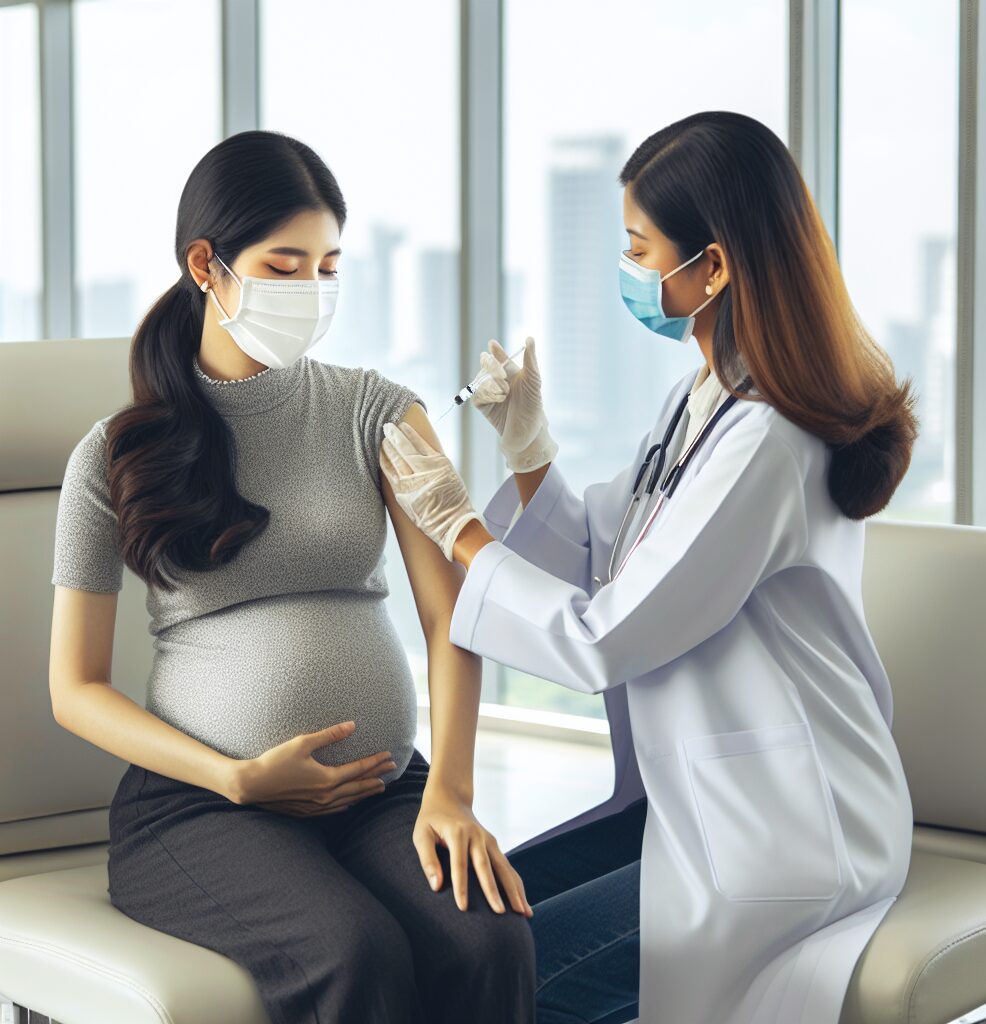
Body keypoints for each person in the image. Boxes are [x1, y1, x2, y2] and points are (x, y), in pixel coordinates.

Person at [379, 110, 921, 1024]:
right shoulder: (707, 395)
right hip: (700, 801)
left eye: (639, 248)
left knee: (510, 984)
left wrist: (459, 530)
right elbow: (612, 555)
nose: (627, 269)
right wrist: (529, 450)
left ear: (714, 267)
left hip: (782, 830)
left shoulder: (768, 441)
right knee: (460, 941)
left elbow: (605, 637)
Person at [48, 129, 534, 1024]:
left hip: (379, 791)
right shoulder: (116, 453)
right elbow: (74, 688)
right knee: (353, 951)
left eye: (328, 266)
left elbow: (452, 618)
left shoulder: (379, 413)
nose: (311, 290)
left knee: (489, 938)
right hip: (200, 808)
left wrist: (451, 792)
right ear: (206, 264)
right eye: (284, 265)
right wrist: (233, 777)